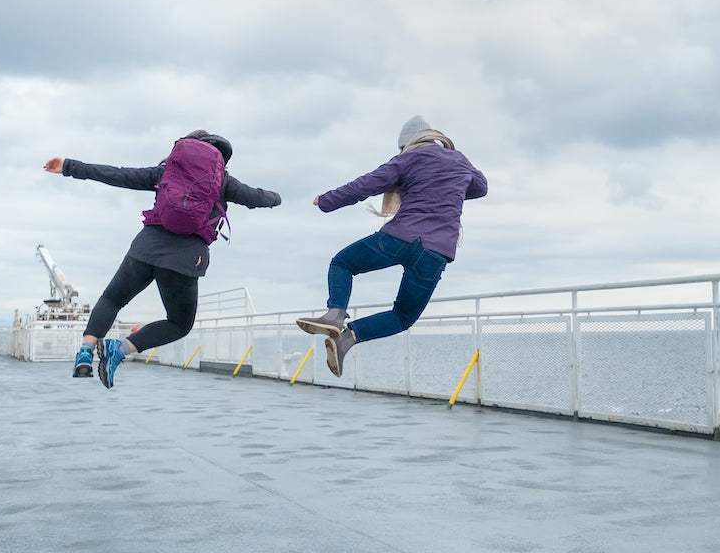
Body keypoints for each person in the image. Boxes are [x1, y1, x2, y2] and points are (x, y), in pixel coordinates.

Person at [43, 130, 281, 388]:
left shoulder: (166, 172)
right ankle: (119, 350)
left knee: (112, 298)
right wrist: (275, 198)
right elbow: (256, 198)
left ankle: (86, 353)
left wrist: (69, 166)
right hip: (186, 260)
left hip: (146, 248)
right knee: (179, 323)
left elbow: (119, 175)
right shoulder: (223, 180)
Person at [297, 115, 487, 377]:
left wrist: (327, 200)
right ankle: (346, 340)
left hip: (400, 238)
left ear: (407, 145)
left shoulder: (406, 160)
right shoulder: (460, 161)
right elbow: (481, 187)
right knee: (402, 317)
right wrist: (450, 187)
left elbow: (364, 185)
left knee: (343, 263)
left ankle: (334, 315)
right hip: (437, 252)